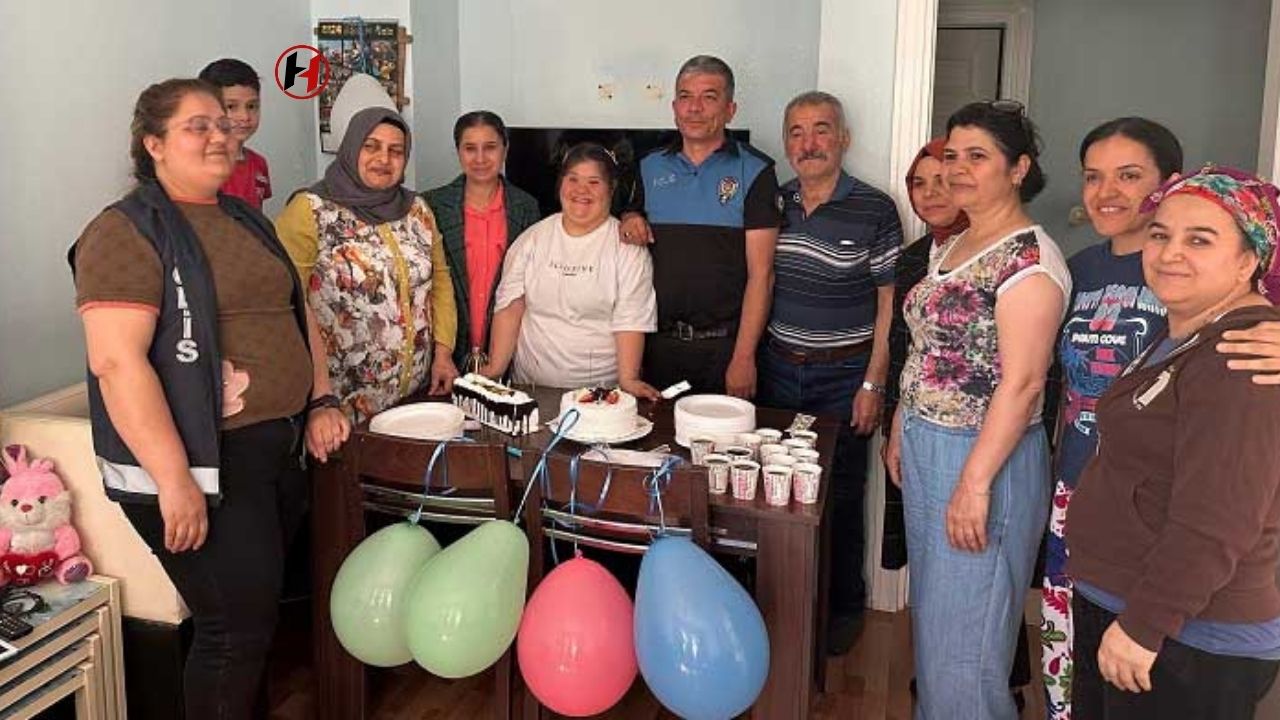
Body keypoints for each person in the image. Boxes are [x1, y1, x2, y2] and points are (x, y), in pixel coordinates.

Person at [69, 78, 317, 719]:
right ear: (153, 143)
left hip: (273, 453)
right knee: (231, 633)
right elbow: (117, 363)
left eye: (224, 124)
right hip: (207, 465)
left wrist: (323, 400)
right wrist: (174, 479)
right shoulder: (125, 232)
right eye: (197, 126)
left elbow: (296, 310)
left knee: (254, 627)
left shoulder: (239, 216)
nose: (220, 136)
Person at [1066, 166, 1280, 719]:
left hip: (1184, 637)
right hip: (1135, 605)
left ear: (1248, 260)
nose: (1169, 252)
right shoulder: (1185, 330)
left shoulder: (1241, 358)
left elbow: (1218, 519)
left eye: (1199, 239)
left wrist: (1143, 626)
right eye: (1160, 234)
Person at [885, 101, 1070, 719]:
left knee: (968, 652)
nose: (959, 170)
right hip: (927, 443)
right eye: (953, 155)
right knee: (939, 633)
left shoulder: (1029, 261)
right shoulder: (959, 240)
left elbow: (1020, 385)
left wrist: (973, 484)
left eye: (977, 156)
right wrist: (897, 427)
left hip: (983, 459)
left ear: (1018, 168)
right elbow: (926, 347)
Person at [1040, 117, 1180, 719]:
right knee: (1065, 641)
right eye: (1094, 177)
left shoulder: (1189, 271)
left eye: (1129, 176)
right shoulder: (1078, 269)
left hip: (1155, 499)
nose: (1106, 192)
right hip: (1075, 483)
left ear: (1168, 184)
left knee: (1139, 657)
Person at [755, 91, 899, 654]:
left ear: (843, 139)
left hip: (844, 379)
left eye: (821, 130)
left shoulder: (875, 208)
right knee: (771, 495)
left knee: (839, 495)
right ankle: (782, 606)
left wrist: (873, 382)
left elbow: (890, 304)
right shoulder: (773, 200)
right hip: (778, 372)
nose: (808, 143)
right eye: (796, 132)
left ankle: (840, 609)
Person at [277, 107, 458, 460]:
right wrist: (320, 399)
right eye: (371, 146)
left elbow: (439, 282)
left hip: (413, 399)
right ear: (351, 148)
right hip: (337, 409)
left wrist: (443, 353)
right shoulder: (310, 210)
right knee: (347, 508)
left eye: (395, 150)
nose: (383, 159)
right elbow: (286, 304)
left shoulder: (417, 209)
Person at [620, 55, 782, 397]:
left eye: (709, 97)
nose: (695, 108)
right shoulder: (648, 166)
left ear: (730, 110)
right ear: (674, 106)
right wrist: (629, 216)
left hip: (724, 352)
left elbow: (762, 275)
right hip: (656, 349)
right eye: (685, 96)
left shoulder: (755, 171)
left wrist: (743, 357)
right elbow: (628, 214)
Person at [481, 143, 659, 397]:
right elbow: (511, 306)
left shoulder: (627, 249)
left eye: (594, 182)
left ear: (612, 188)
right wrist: (495, 368)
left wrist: (628, 379)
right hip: (530, 389)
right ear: (560, 184)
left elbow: (630, 319)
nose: (581, 190)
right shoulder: (533, 239)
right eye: (572, 179)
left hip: (599, 395)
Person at [882, 138, 970, 571]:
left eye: (944, 181)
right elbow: (902, 345)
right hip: (911, 419)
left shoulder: (989, 253)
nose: (931, 193)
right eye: (919, 183)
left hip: (970, 435)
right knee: (927, 552)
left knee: (974, 561)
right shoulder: (914, 258)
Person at [423, 111, 541, 371]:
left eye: (490, 148)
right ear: (458, 152)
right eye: (470, 148)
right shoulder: (432, 206)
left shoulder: (526, 208)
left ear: (505, 150)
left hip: (506, 353)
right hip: (444, 356)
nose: (480, 159)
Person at [198, 58, 271, 210]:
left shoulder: (259, 164)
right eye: (231, 107)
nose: (244, 116)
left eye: (252, 106)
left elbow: (257, 217)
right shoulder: (200, 165)